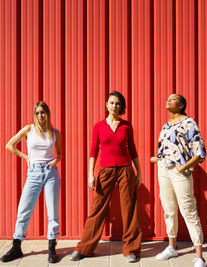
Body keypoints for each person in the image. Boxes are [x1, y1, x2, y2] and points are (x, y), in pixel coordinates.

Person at [70, 91, 143, 263]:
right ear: (106, 105)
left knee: (129, 209)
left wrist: (139, 172)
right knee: (97, 209)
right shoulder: (99, 126)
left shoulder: (126, 125)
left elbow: (132, 148)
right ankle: (85, 248)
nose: (114, 106)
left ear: (121, 106)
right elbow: (93, 150)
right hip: (106, 170)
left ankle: (131, 249)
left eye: (118, 103)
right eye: (112, 103)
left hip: (125, 169)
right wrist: (90, 173)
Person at [0, 101, 62, 263]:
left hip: (51, 174)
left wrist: (57, 160)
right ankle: (16, 246)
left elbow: (60, 154)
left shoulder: (55, 132)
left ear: (47, 113)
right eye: (38, 113)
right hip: (34, 173)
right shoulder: (29, 129)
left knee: (53, 213)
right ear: (35, 115)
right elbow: (9, 145)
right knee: (24, 210)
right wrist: (26, 157)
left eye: (43, 112)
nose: (40, 116)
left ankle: (51, 246)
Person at [150, 94, 207, 267]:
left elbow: (200, 153)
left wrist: (183, 167)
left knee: (188, 210)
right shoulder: (166, 126)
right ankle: (172, 248)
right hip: (164, 170)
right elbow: (166, 148)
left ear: (181, 105)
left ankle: (199, 257)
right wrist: (158, 159)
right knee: (169, 209)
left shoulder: (189, 123)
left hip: (180, 172)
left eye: (173, 99)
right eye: (167, 98)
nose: (168, 100)